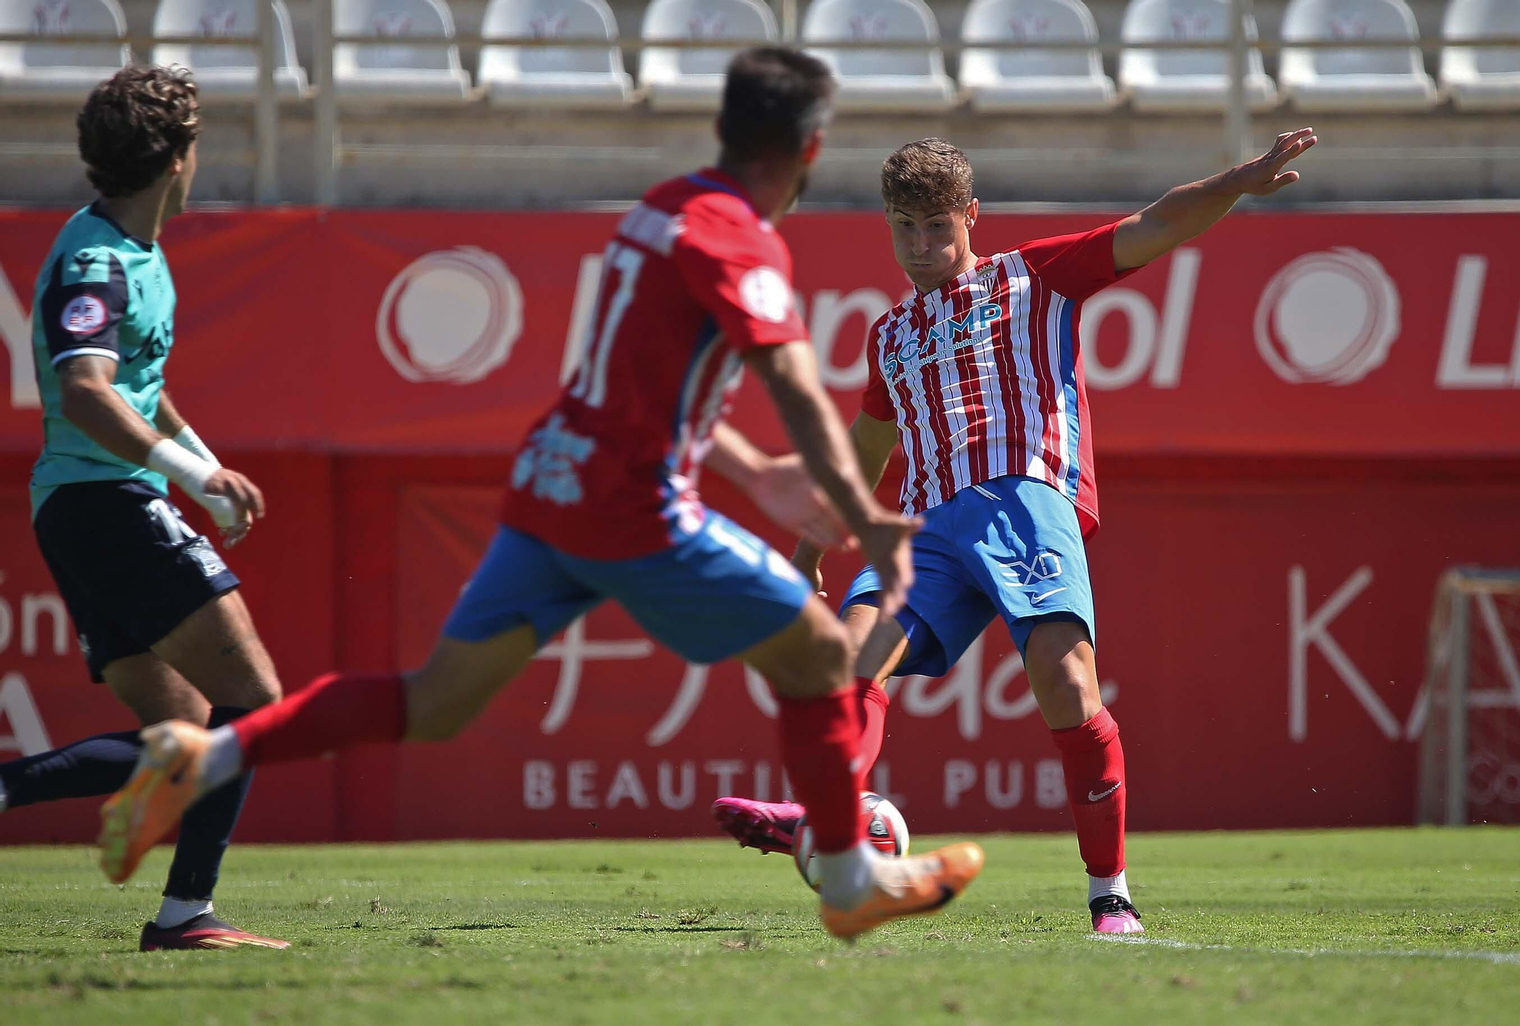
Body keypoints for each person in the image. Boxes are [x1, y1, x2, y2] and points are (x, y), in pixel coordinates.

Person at [95, 48, 984, 942]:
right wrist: (864, 515)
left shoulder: (660, 211)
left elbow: (632, 383)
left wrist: (752, 474)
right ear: (811, 149)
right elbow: (795, 387)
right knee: (823, 656)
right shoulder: (742, 240)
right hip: (634, 509)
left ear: (724, 129)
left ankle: (208, 754)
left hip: (551, 486)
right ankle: (847, 881)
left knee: (435, 701)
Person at [713, 130, 1318, 934]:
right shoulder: (888, 336)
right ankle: (828, 820)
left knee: (1067, 688)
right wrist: (806, 553)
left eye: (938, 226)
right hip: (924, 529)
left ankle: (1111, 895)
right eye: (904, 226)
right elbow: (861, 457)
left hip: (1022, 498)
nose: (921, 245)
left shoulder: (1032, 277)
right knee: (850, 657)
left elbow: (1156, 224)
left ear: (971, 216)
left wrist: (1237, 181)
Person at [0, 65, 288, 951]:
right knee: (256, 704)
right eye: (195, 144)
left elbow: (140, 388)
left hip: (90, 506)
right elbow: (88, 393)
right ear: (175, 160)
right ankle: (185, 915)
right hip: (104, 503)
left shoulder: (134, 252)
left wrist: (203, 468)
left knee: (181, 738)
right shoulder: (97, 258)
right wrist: (185, 477)